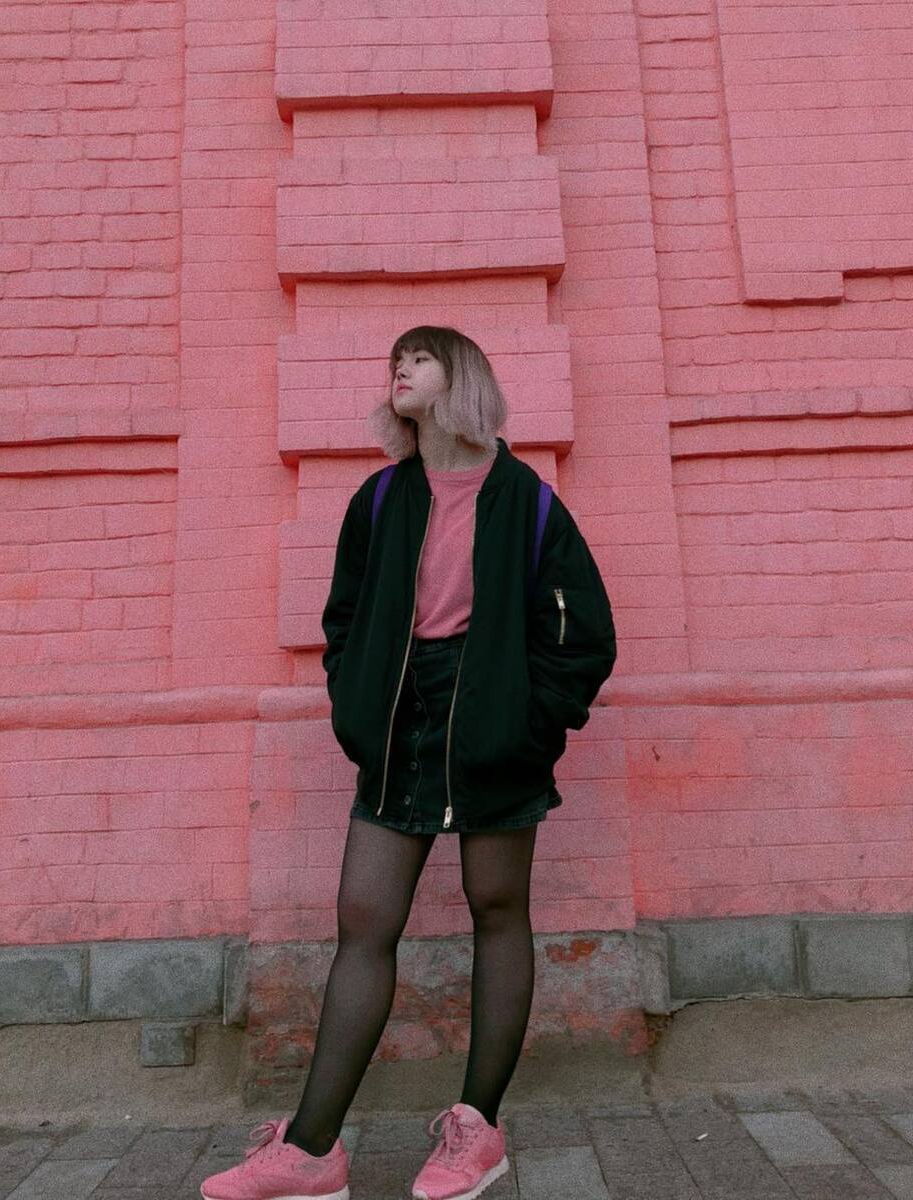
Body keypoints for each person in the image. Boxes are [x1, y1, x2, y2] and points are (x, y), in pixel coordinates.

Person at [201, 326, 617, 1200]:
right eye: (396, 359)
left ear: (461, 378)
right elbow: (345, 618)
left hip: (494, 720)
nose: (401, 368)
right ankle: (312, 1151)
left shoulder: (529, 501)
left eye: (420, 357)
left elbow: (583, 636)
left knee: (497, 909)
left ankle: (477, 1131)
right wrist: (356, 706)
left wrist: (531, 725)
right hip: (400, 723)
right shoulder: (382, 497)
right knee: (365, 915)